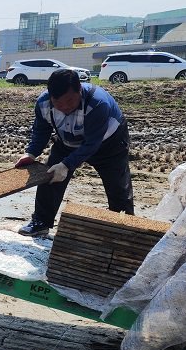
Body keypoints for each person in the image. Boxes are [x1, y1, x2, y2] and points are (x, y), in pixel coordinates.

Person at [15, 68, 134, 236]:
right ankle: (41, 221)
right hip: (67, 140)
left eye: (69, 101)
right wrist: (31, 153)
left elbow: (92, 143)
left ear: (80, 90)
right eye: (58, 104)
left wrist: (66, 165)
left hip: (109, 144)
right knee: (50, 176)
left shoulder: (97, 103)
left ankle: (124, 229)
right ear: (50, 96)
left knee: (118, 187)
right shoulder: (43, 104)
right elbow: (41, 131)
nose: (64, 107)